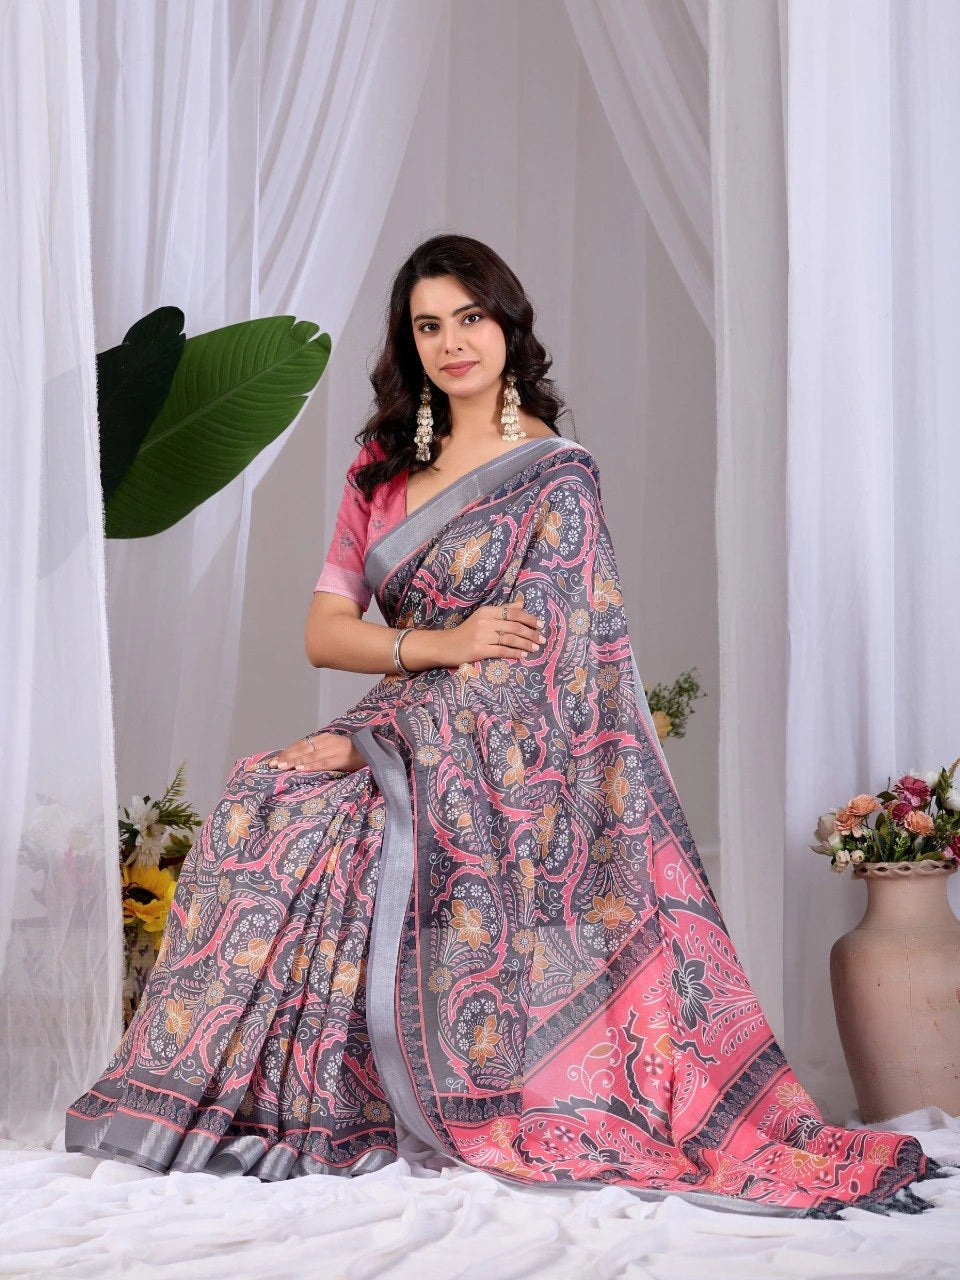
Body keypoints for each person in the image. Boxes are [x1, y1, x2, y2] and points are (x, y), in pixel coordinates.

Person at [65, 233, 947, 1217]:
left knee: (334, 826)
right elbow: (324, 630)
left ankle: (393, 1094)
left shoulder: (555, 475)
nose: (452, 342)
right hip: (404, 724)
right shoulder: (381, 464)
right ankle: (259, 1101)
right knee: (258, 798)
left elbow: (548, 664)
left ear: (508, 325)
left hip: (501, 761)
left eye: (470, 317)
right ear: (410, 343)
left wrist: (378, 736)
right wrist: (422, 659)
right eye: (428, 324)